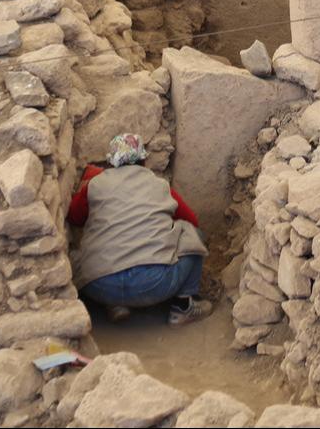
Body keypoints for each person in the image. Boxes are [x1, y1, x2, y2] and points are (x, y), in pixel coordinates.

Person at [68, 134, 212, 325]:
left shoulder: (95, 185)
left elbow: (74, 217)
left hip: (99, 286)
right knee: (191, 234)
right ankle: (183, 307)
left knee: (81, 251)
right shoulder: (159, 185)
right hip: (155, 284)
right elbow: (191, 220)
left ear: (111, 162)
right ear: (144, 160)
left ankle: (115, 305)